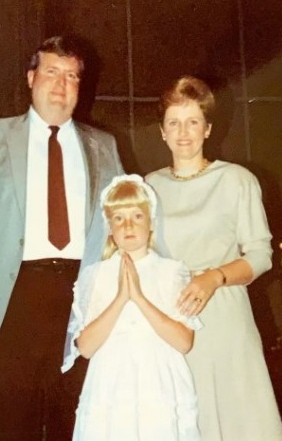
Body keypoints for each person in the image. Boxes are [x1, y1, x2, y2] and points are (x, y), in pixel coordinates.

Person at [0, 35, 123, 440]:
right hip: (8, 302)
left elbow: (123, 232)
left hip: (80, 303)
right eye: (51, 72)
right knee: (7, 425)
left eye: (71, 76)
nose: (61, 84)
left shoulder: (104, 147)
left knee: (74, 423)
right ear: (31, 77)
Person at [146, 76, 282, 441]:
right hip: (171, 320)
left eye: (193, 121)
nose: (183, 132)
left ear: (208, 128)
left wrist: (214, 278)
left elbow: (260, 256)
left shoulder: (237, 181)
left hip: (224, 319)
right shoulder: (148, 187)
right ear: (161, 132)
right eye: (173, 122)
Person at [62, 174, 202, 441]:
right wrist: (121, 299)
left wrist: (138, 297)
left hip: (158, 380)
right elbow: (87, 348)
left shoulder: (171, 272)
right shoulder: (96, 275)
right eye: (118, 218)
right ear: (110, 229)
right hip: (111, 380)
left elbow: (184, 343)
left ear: (151, 223)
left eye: (137, 216)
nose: (128, 225)